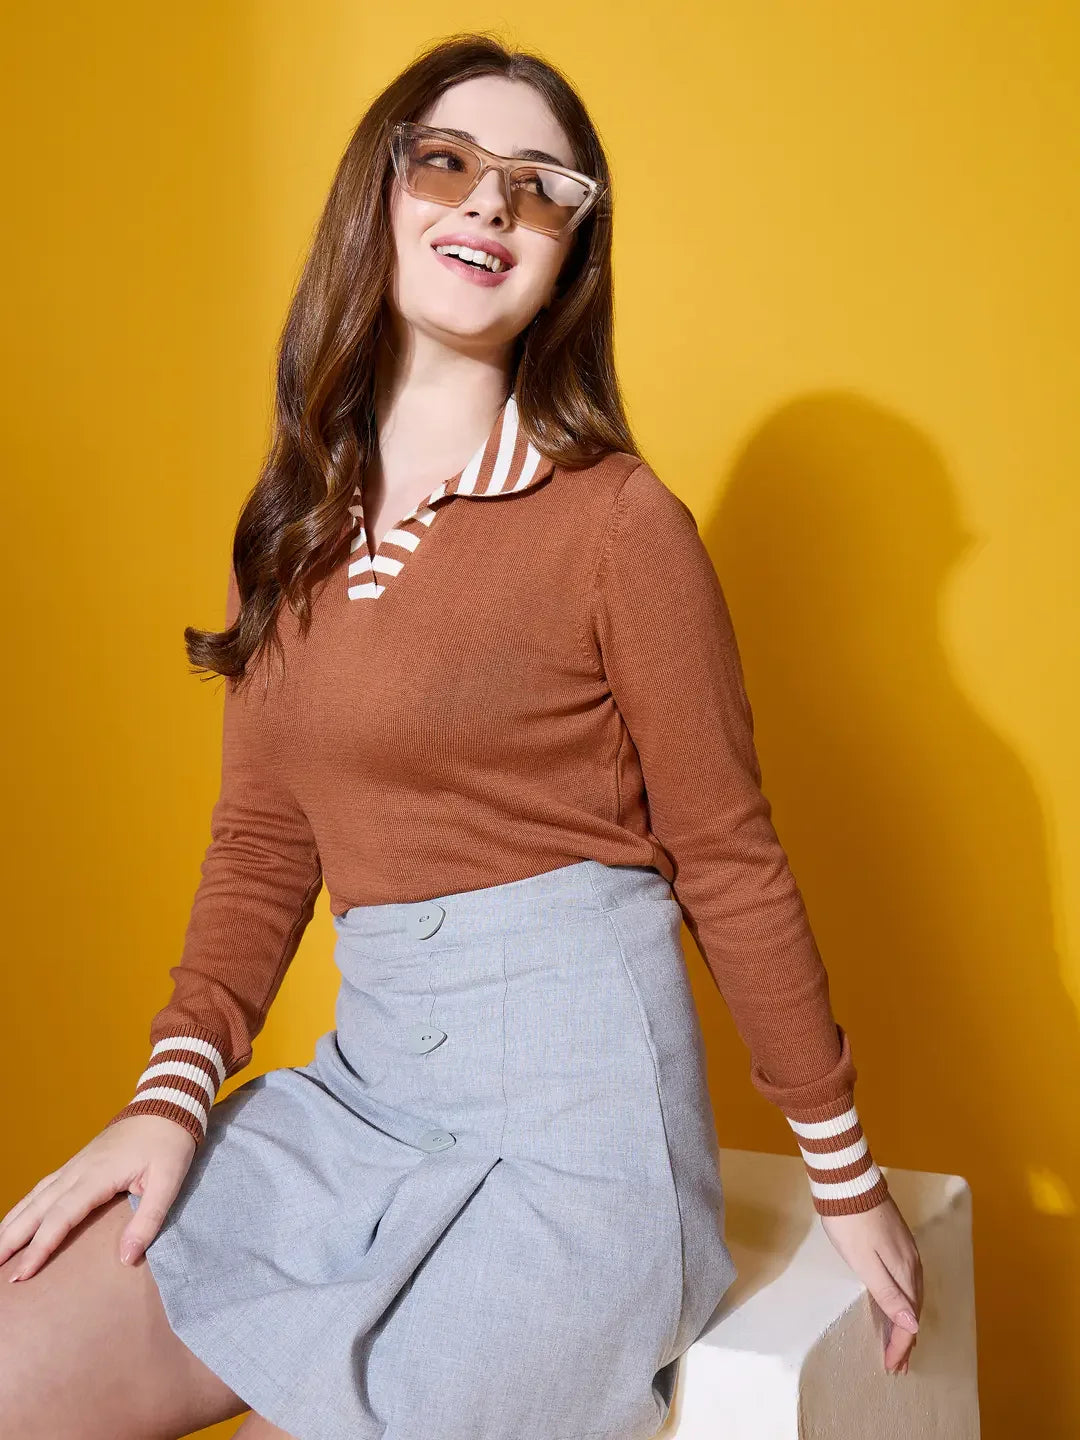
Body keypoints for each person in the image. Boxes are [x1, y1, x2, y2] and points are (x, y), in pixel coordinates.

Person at [0, 31, 922, 1440]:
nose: (491, 203)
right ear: (380, 195)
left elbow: (727, 858)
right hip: (361, 1098)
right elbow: (261, 845)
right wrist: (169, 1099)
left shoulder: (621, 526)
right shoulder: (293, 527)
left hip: (580, 1134)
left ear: (571, 261)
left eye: (540, 186)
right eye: (449, 164)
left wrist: (848, 1182)